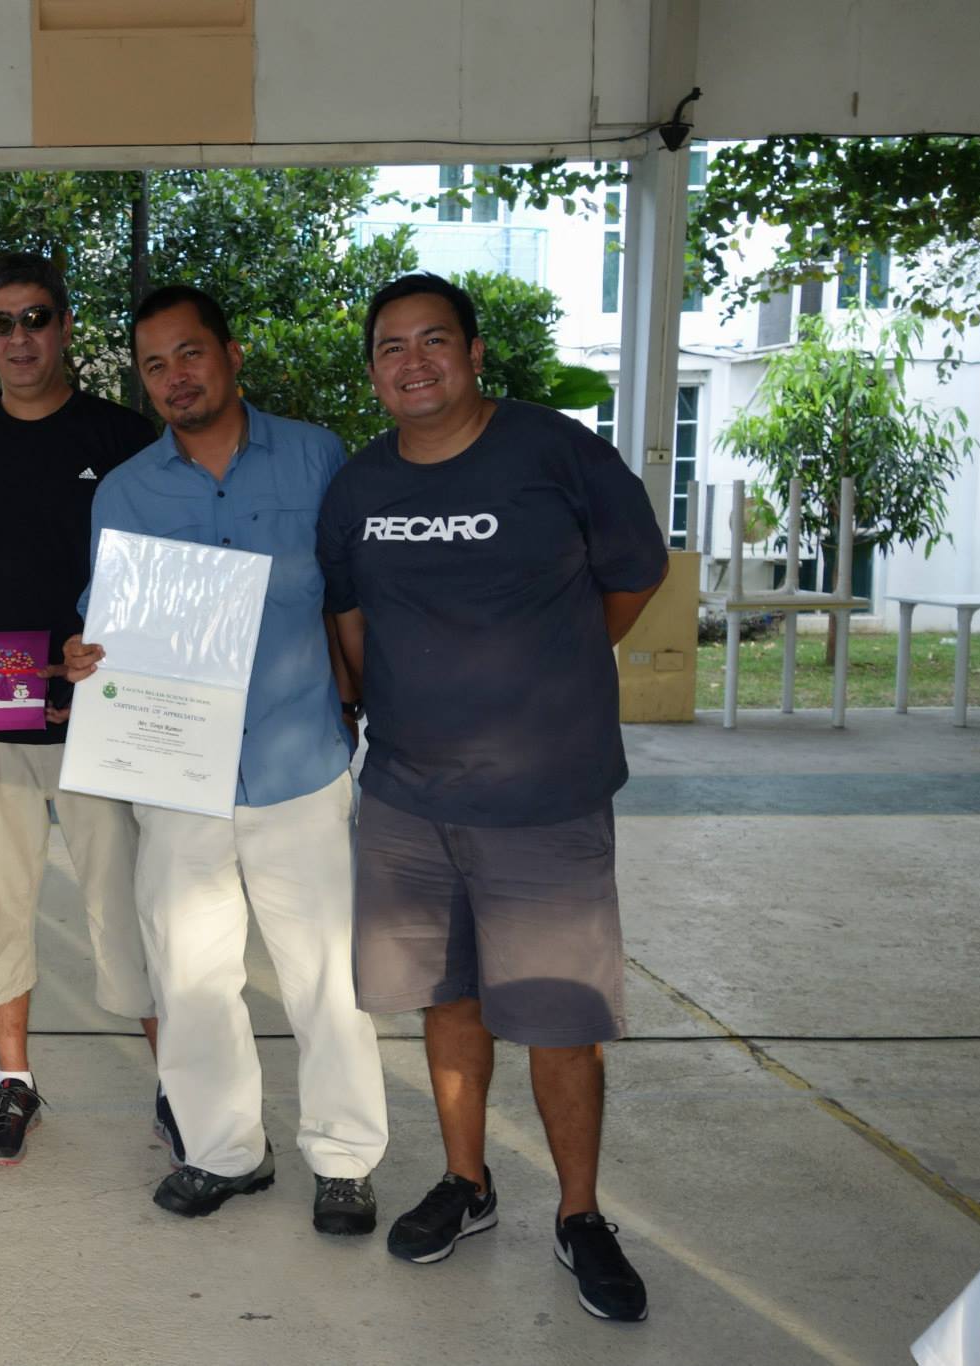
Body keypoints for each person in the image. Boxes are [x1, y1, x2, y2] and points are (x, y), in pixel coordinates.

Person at [316, 273, 667, 1322]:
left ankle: (578, 1213)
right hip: (407, 800)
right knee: (446, 997)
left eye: (433, 341)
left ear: (472, 354)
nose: (411, 361)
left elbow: (631, 578)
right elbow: (349, 622)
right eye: (390, 346)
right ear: (373, 371)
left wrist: (551, 667)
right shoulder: (358, 488)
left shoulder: (554, 452)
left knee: (558, 1017)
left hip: (544, 797)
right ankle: (465, 1183)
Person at [63, 285, 389, 1229]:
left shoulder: (319, 455)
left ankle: (344, 1157)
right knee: (192, 974)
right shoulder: (126, 490)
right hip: (176, 774)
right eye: (155, 365)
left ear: (232, 354)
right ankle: (223, 1151)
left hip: (298, 760)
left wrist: (364, 697)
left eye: (190, 354)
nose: (175, 377)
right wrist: (90, 653)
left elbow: (348, 594)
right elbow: (108, 624)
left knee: (328, 973)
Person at [0, 250, 162, 1165]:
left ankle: (179, 1084)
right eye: (1, 323)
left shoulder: (126, 439)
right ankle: (14, 1083)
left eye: (36, 318)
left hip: (105, 709)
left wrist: (121, 641)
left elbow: (165, 568)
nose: (20, 338)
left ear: (67, 326)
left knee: (128, 897)